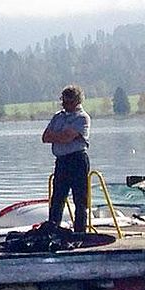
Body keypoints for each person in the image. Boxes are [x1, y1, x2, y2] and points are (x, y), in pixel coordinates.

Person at [42, 85, 92, 231]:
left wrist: (57, 136)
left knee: (80, 200)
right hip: (61, 161)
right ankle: (53, 230)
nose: (63, 104)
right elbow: (45, 137)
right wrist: (62, 136)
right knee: (57, 199)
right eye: (62, 100)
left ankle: (80, 232)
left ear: (76, 101)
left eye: (67, 101)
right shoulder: (58, 117)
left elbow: (66, 137)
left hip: (77, 160)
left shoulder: (82, 118)